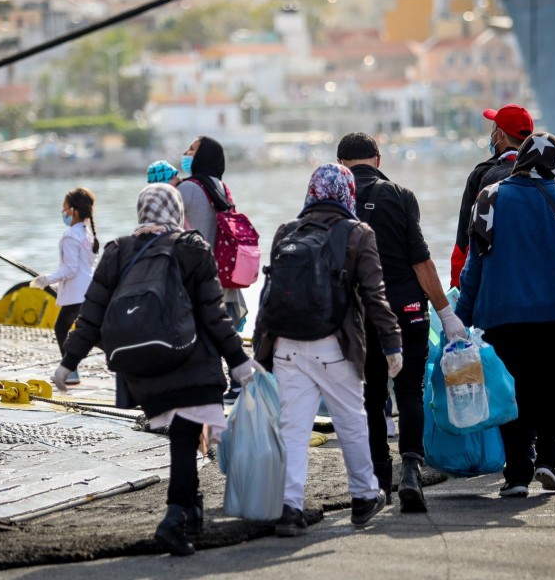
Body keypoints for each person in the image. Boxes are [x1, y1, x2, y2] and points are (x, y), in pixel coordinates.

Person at [51, 183, 263, 556]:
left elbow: (92, 313)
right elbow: (213, 314)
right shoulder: (190, 247)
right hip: (189, 360)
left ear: (142, 212)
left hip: (141, 369)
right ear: (176, 212)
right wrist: (239, 362)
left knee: (181, 438)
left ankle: (189, 508)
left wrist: (68, 363)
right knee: (185, 437)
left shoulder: (117, 250)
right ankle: (175, 516)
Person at [455, 131, 555, 498]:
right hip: (554, 312)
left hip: (502, 315)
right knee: (552, 388)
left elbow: (474, 263)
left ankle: (518, 475)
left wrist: (459, 317)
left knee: (513, 392)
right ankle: (549, 463)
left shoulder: (489, 197)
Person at [253, 162, 400, 536]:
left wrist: (260, 350)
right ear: (346, 192)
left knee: (293, 429)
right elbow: (374, 294)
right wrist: (392, 342)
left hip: (286, 344)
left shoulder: (288, 230)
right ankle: (365, 496)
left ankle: (289, 508)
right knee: (352, 422)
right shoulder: (357, 233)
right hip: (334, 345)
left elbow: (269, 296)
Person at [337, 132, 467, 513]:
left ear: (340, 162)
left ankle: (380, 481)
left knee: (371, 397)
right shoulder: (399, 195)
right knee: (409, 390)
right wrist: (446, 313)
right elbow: (421, 262)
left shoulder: (334, 200)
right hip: (407, 308)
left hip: (359, 314)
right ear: (377, 159)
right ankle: (411, 471)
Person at [177, 135, 249, 402]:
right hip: (224, 269)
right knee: (223, 327)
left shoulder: (189, 189)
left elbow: (169, 225)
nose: (186, 153)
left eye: (192, 149)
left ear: (203, 156)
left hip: (197, 271)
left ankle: (208, 384)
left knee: (201, 331)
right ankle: (238, 382)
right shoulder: (220, 187)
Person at [450, 104, 534, 287]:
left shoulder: (482, 175)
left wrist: (457, 289)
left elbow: (464, 243)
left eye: (494, 129)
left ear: (500, 135)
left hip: (497, 287)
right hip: (546, 288)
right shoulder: (554, 176)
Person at [31, 187, 100, 386]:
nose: (62, 211)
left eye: (65, 207)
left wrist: (46, 279)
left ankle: (70, 371)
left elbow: (69, 269)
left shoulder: (70, 235)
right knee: (92, 332)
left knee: (61, 328)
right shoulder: (87, 233)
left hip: (77, 292)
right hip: (90, 290)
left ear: (74, 210)